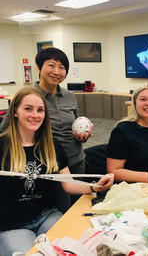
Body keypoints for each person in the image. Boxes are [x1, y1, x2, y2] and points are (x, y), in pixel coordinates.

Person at [0, 87, 114, 255]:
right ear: (15, 111)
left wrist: (95, 187)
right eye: (28, 109)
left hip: (46, 216)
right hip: (13, 225)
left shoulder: (51, 144)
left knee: (76, 248)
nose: (35, 115)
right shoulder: (2, 146)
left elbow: (68, 184)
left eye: (40, 110)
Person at [0, 47, 90, 204]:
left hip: (76, 160)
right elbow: (5, 131)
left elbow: (75, 124)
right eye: (51, 65)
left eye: (62, 68)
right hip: (49, 164)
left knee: (80, 205)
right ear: (38, 67)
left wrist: (82, 135)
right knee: (59, 209)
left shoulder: (70, 96)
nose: (57, 71)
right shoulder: (28, 97)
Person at [107, 83, 148, 184]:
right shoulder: (122, 131)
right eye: (143, 99)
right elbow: (113, 171)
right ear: (134, 103)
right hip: (130, 188)